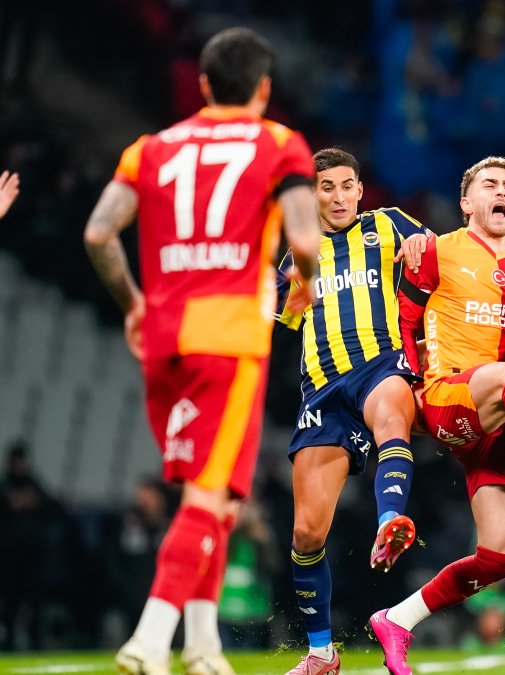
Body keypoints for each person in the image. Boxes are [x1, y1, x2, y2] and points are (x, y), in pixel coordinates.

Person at [82, 27, 320, 675]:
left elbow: (100, 232)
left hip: (163, 338)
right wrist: (302, 286)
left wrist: (133, 303)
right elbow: (304, 238)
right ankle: (149, 639)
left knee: (217, 497)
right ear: (265, 89)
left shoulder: (152, 147)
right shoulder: (278, 143)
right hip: (229, 338)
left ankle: (203, 642)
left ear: (206, 84)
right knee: (205, 500)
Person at [367, 156, 505, 675]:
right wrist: (408, 383)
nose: (501, 192)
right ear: (467, 202)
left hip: (496, 420)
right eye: (489, 185)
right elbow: (404, 320)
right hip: (448, 396)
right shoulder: (435, 251)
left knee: (502, 557)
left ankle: (397, 619)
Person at [275, 148, 427, 674]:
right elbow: (275, 319)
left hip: (379, 366)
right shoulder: (296, 256)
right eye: (326, 188)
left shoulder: (387, 226)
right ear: (312, 195)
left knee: (391, 418)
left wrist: (425, 249)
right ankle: (321, 653)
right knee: (306, 536)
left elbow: (432, 256)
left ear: (361, 190)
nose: (338, 197)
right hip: (322, 391)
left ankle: (390, 518)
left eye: (347, 186)